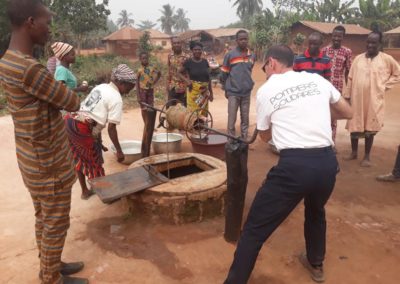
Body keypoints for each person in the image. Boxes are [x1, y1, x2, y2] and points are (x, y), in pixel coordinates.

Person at [224, 45, 353, 284]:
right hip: (326, 164)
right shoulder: (316, 81)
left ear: (271, 63)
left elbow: (263, 136)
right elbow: (347, 112)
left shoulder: (267, 89)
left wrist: (283, 119)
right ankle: (316, 263)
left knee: (253, 230)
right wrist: (315, 112)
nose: (264, 72)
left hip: (294, 167)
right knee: (316, 211)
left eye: (264, 68)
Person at [0, 1, 88, 283]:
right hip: (47, 163)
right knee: (56, 221)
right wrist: (72, 90)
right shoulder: (30, 69)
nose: (49, 29)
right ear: (30, 22)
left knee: (45, 217)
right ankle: (51, 277)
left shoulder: (7, 60)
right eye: (46, 22)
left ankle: (51, 263)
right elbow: (71, 100)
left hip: (31, 158)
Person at [64, 64, 136, 200]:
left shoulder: (101, 87)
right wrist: (119, 151)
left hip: (70, 121)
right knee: (94, 162)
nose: (128, 92)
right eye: (129, 87)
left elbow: (94, 114)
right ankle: (107, 195)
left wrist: (97, 141)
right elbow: (111, 128)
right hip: (82, 127)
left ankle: (85, 191)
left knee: (78, 157)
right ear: (121, 83)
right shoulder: (116, 98)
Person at [344, 31, 400, 167]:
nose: (370, 45)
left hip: (374, 100)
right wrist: (347, 96)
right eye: (368, 42)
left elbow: (397, 74)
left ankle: (367, 156)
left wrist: (384, 86)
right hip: (357, 99)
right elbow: (350, 78)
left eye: (373, 42)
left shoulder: (386, 59)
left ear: (380, 44)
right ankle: (354, 152)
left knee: (370, 125)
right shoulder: (358, 59)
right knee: (354, 124)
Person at [221, 30, 256, 139]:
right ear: (237, 41)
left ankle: (244, 141)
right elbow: (224, 74)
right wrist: (226, 89)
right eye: (241, 39)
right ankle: (230, 142)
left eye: (245, 39)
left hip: (246, 93)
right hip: (233, 93)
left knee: (245, 119)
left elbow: (249, 71)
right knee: (231, 119)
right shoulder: (230, 55)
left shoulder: (252, 55)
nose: (243, 41)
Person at [322, 25, 352, 142]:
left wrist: (348, 90)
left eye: (339, 36)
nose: (336, 38)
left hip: (337, 89)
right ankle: (323, 141)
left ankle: (331, 143)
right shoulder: (324, 50)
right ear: (331, 36)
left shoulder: (347, 52)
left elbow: (348, 72)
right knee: (323, 114)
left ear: (343, 37)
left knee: (333, 116)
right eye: (334, 36)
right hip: (324, 88)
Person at [178, 41, 213, 115]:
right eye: (195, 49)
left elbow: (208, 77)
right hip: (193, 92)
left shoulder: (205, 62)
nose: (197, 51)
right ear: (192, 51)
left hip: (204, 93)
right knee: (193, 113)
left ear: (202, 50)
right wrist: (187, 81)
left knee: (203, 112)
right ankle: (193, 126)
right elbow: (179, 72)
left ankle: (202, 126)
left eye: (199, 49)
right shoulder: (188, 62)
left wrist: (211, 93)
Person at [136, 51, 161, 123]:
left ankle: (150, 124)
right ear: (140, 59)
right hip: (142, 92)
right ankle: (146, 124)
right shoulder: (139, 70)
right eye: (143, 58)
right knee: (144, 109)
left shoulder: (152, 67)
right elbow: (137, 83)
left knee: (151, 108)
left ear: (148, 58)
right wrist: (138, 96)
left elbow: (159, 74)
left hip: (150, 91)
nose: (145, 60)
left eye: (146, 58)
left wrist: (154, 82)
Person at [167, 36, 190, 107]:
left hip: (183, 88)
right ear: (172, 45)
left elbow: (189, 72)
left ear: (181, 44)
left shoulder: (187, 57)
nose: (176, 44)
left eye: (178, 43)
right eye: (174, 43)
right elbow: (169, 71)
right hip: (172, 87)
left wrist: (188, 85)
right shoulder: (170, 56)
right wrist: (167, 85)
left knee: (184, 110)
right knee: (170, 109)